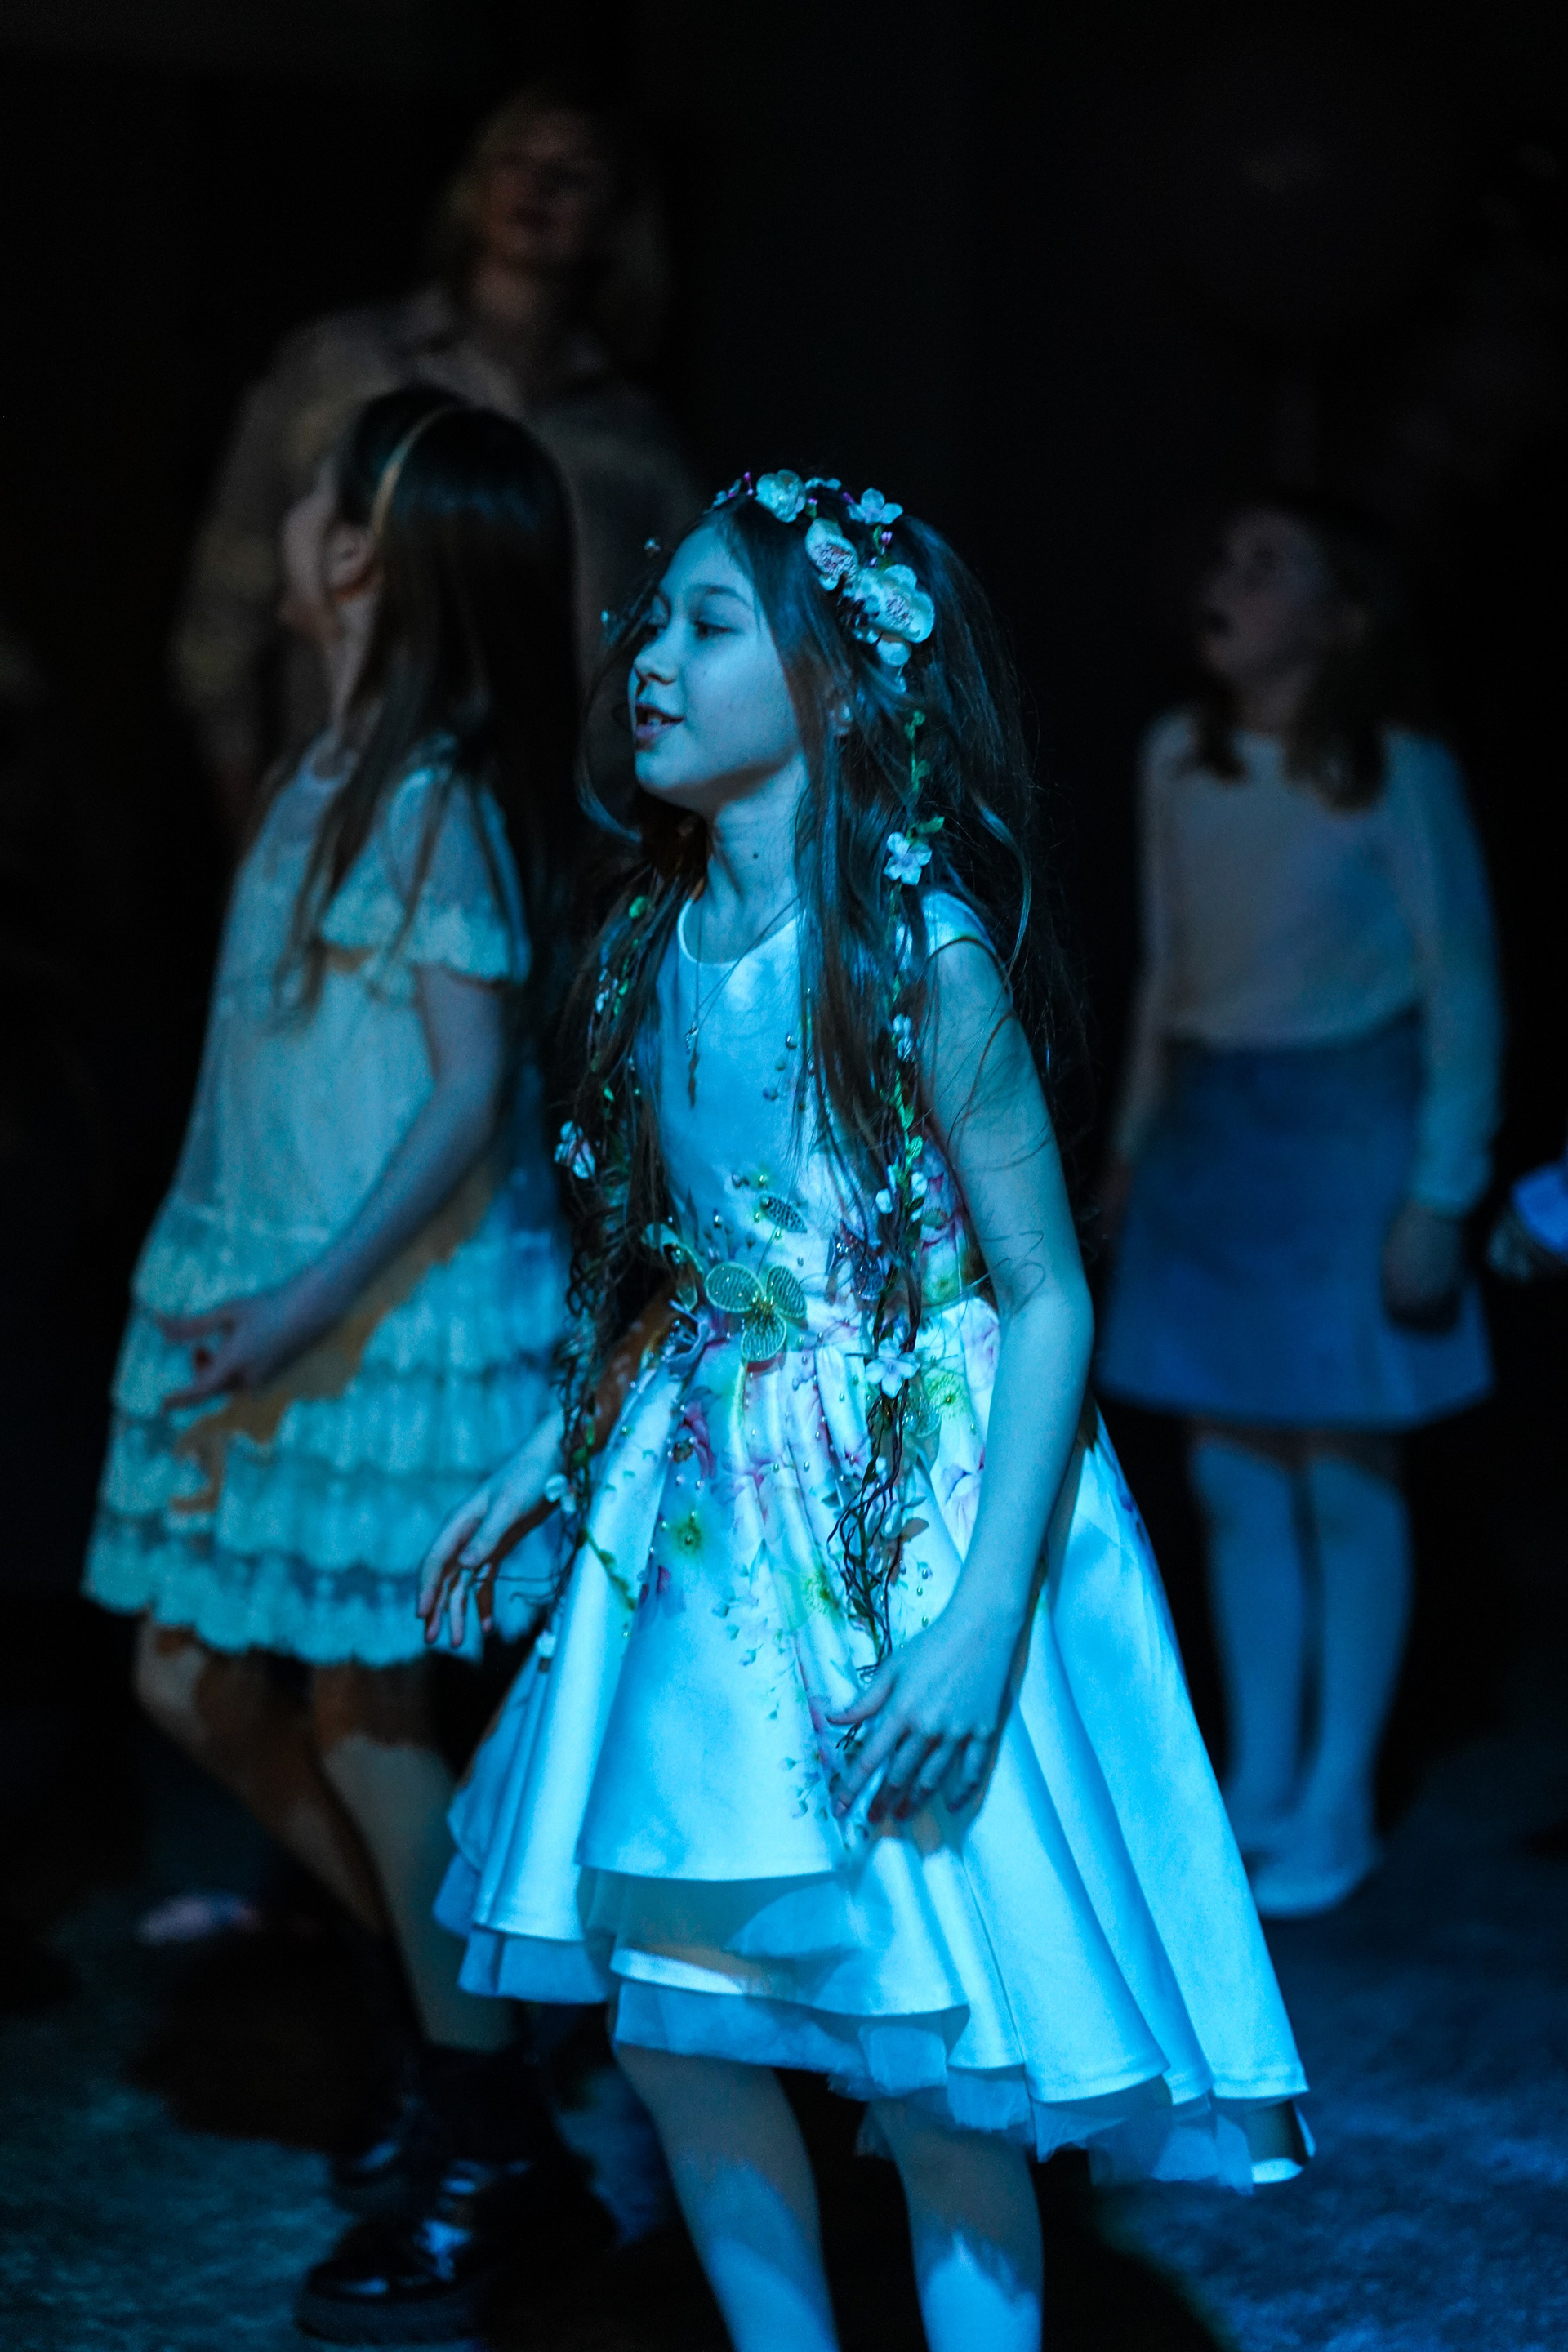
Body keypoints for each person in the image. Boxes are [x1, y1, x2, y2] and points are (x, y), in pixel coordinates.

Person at [410, 470, 1310, 2352]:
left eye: (710, 624)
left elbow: (1044, 1292)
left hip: (909, 1509)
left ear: (830, 681)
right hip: (716, 1513)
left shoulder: (918, 953)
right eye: (651, 621)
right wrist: (551, 1452)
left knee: (936, 2054)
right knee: (679, 2026)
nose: (650, 658)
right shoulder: (658, 943)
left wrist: (980, 1624)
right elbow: (689, 1259)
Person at [84, 390, 588, 2323]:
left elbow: (466, 1092)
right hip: (272, 1291)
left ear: (367, 553)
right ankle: (443, 2008)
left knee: (373, 1718)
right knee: (191, 1669)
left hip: (384, 1321)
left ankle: (493, 2140)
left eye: (317, 498)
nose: (290, 523)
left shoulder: (440, 790)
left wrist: (306, 1299)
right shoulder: (325, 768)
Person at [1098, 497, 1503, 1920]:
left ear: (1341, 617)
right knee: (1230, 1477)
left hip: (1349, 1136)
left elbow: (1464, 984)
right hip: (1219, 1133)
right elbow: (1166, 971)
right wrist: (1131, 1146)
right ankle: (1260, 1776)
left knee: (1343, 1474)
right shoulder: (1178, 757)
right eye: (1227, 558)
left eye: (1270, 567)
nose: (1232, 580)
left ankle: (1337, 1795)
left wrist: (1442, 1191)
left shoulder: (1397, 770)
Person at [174, 80, 699, 838]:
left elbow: (667, 646)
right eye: (516, 159)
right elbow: (227, 600)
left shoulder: (637, 442)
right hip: (347, 818)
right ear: (474, 183)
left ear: (616, 214)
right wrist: (253, 820)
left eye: (574, 172)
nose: (539, 187)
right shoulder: (341, 369)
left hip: (557, 839)